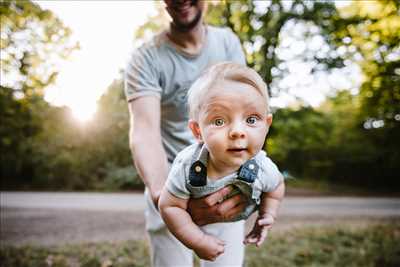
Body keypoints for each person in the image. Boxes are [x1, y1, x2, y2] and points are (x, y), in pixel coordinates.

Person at [125, 0, 248, 266]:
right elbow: (144, 131)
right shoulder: (146, 57)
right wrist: (165, 199)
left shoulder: (227, 44)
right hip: (168, 183)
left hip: (222, 185)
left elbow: (241, 115)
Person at [158, 62, 285, 264]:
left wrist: (267, 214)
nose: (237, 131)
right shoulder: (187, 166)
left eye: (251, 119)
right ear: (198, 131)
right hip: (182, 219)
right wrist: (197, 240)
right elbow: (170, 207)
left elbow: (277, 186)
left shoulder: (263, 167)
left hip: (230, 218)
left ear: (266, 125)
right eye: (219, 121)